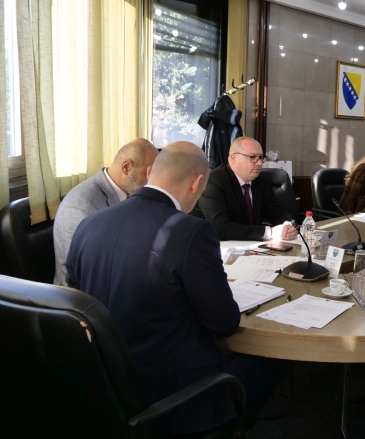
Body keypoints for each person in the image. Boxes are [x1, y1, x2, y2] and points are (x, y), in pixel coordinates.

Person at [65, 142, 285, 436]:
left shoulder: (88, 225)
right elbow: (224, 323)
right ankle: (229, 424)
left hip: (103, 385)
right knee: (275, 358)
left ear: (151, 173)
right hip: (173, 392)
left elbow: (77, 300)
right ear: (196, 183)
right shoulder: (191, 231)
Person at [53, 138, 158, 286]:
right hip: (83, 294)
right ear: (126, 167)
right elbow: (85, 270)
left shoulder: (130, 193)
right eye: (147, 174)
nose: (151, 182)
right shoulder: (80, 205)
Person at [198, 137, 297, 241]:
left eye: (260, 157)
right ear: (233, 158)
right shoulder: (213, 182)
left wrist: (288, 226)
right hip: (212, 245)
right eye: (252, 157)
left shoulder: (262, 181)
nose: (259, 163)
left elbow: (278, 212)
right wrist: (270, 232)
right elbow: (221, 228)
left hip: (252, 246)